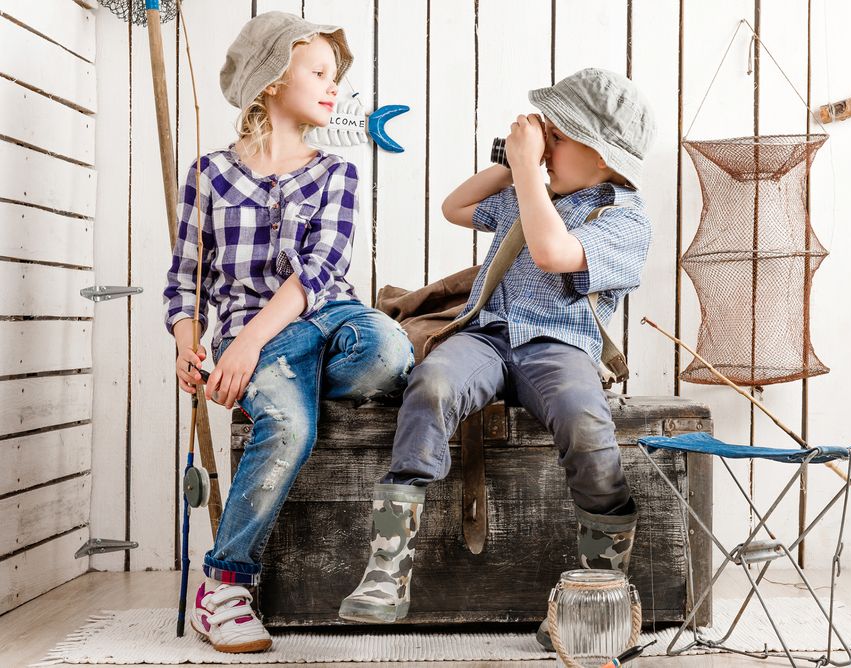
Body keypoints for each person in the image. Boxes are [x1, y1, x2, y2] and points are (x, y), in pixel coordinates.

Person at [337, 68, 656, 652]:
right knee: (431, 382)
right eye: (547, 134)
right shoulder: (525, 190)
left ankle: (599, 587)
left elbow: (551, 250)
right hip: (486, 337)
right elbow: (456, 207)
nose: (547, 146)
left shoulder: (623, 216)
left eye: (559, 137)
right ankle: (388, 564)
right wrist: (517, 164)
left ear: (605, 157)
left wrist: (533, 177)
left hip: (561, 347)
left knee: (587, 422)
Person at [163, 11, 412, 653]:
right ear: (273, 80)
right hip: (252, 334)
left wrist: (244, 348)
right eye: (319, 73)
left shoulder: (338, 174)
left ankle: (284, 374)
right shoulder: (209, 175)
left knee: (389, 348)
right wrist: (192, 349)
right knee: (289, 425)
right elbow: (184, 281)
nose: (334, 89)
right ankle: (223, 588)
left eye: (337, 77)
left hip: (326, 320)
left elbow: (319, 273)